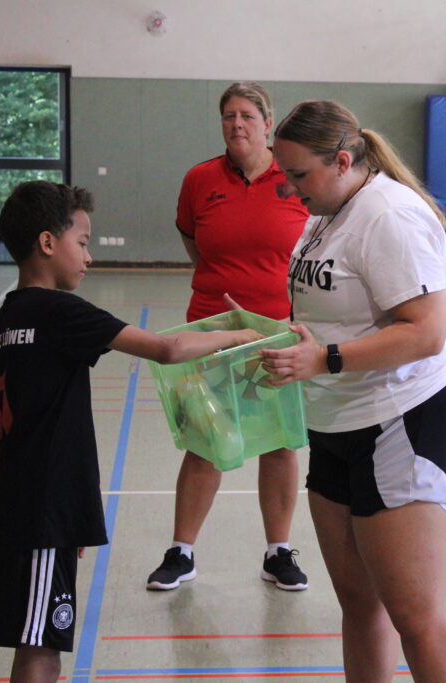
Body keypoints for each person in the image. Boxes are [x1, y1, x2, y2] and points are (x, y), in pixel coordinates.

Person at [0, 181, 261, 683]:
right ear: (47, 243)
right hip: (44, 507)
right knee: (40, 651)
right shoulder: (57, 310)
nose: (88, 256)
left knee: (38, 641)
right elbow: (167, 349)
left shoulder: (10, 314)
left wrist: (70, 516)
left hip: (22, 502)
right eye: (82, 242)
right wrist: (240, 334)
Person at [256, 100, 446, 682]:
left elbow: (425, 332)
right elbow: (336, 310)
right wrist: (280, 338)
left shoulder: (389, 215)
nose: (290, 188)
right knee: (360, 605)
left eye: (298, 174)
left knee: (417, 615)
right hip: (338, 417)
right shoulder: (327, 211)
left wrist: (325, 357)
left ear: (342, 161)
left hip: (405, 415)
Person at [145, 82, 311, 592]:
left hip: (277, 332)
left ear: (268, 123)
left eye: (247, 115)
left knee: (280, 443)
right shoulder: (200, 179)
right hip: (211, 332)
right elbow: (192, 241)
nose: (236, 124)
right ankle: (182, 552)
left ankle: (278, 552)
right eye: (228, 115)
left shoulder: (294, 177)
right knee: (205, 439)